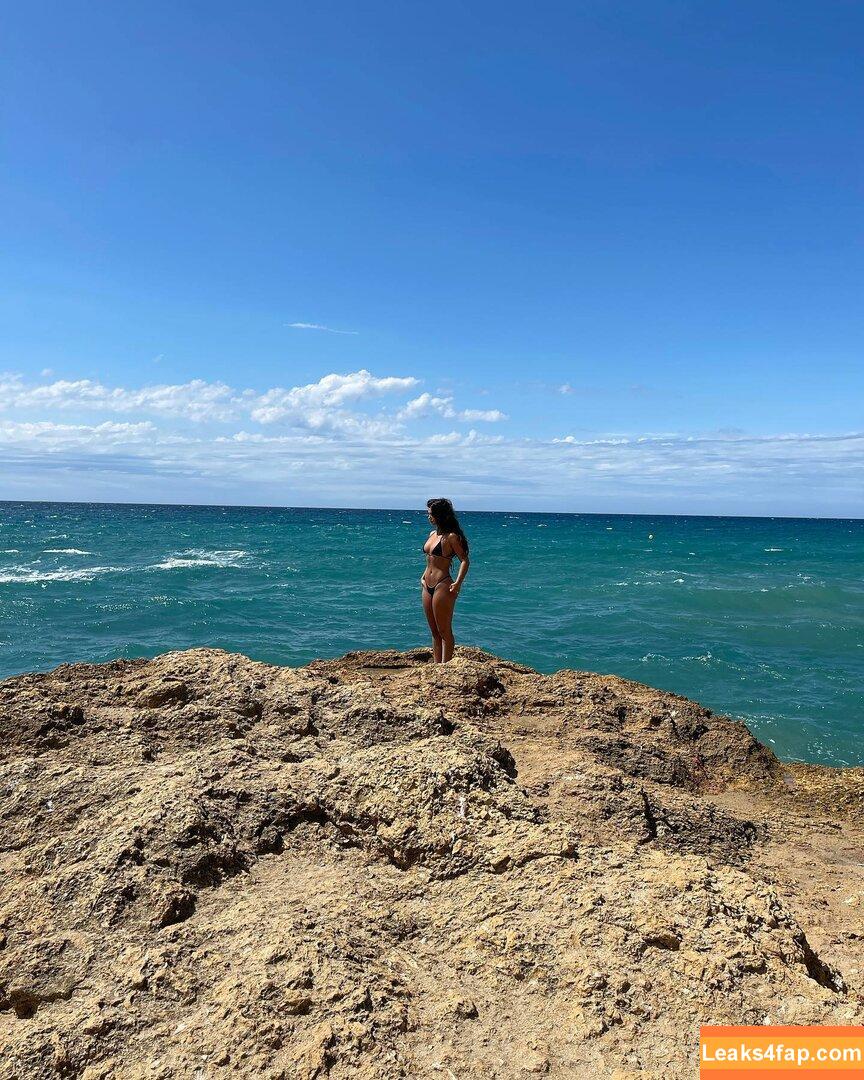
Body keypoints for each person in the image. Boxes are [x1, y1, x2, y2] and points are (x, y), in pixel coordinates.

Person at [420, 497, 470, 663]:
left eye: (431, 514)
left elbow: (464, 560)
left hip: (443, 584)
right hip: (427, 585)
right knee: (434, 631)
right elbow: (430, 560)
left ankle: (446, 667)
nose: (429, 516)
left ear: (440, 515)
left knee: (444, 631)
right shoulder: (432, 534)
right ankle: (437, 667)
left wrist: (458, 583)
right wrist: (423, 576)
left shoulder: (451, 537)